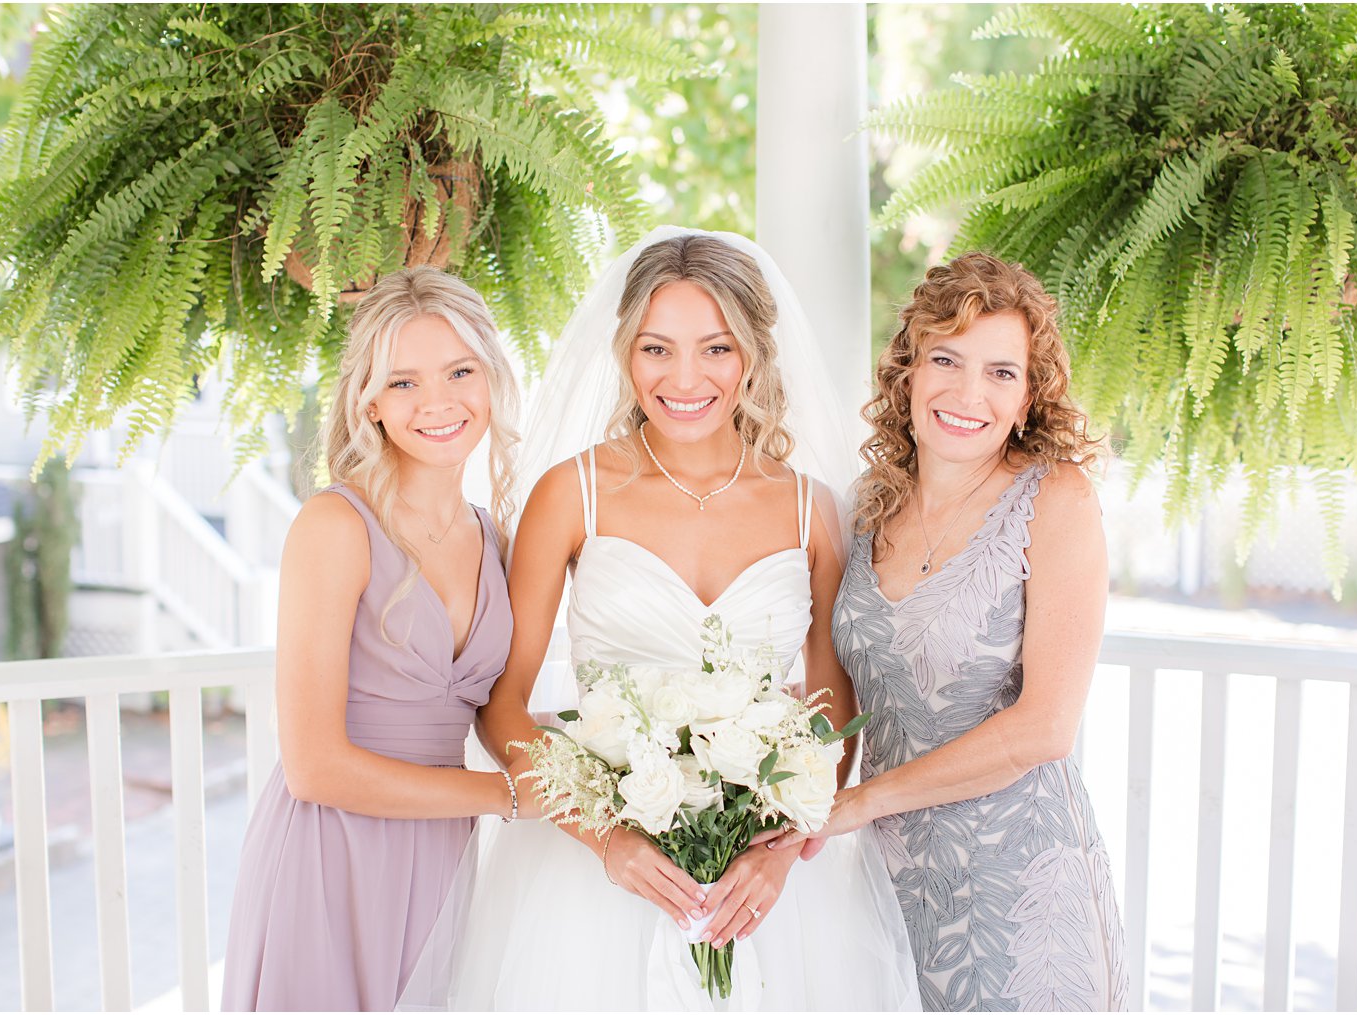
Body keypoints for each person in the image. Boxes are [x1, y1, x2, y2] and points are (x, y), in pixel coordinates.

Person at [396, 229, 918, 1011]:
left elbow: (833, 709)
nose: (684, 378)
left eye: (714, 348)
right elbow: (502, 705)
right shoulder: (571, 494)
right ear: (625, 353)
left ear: (752, 355)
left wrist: (782, 850)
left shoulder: (813, 510)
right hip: (593, 880)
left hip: (764, 887)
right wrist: (607, 836)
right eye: (655, 348)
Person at [775, 252, 1129, 1011]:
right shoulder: (862, 504)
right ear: (907, 372)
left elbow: (1045, 727)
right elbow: (833, 690)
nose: (969, 392)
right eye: (947, 359)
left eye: (1002, 371)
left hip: (1023, 896)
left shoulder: (1056, 500)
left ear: (1030, 396)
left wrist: (861, 802)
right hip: (887, 888)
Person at [222, 267, 522, 1011]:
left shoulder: (493, 536)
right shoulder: (335, 526)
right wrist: (507, 795)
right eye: (405, 382)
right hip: (332, 858)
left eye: (459, 370)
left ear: (491, 377)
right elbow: (313, 767)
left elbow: (484, 706)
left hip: (442, 856)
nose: (439, 402)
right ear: (369, 400)